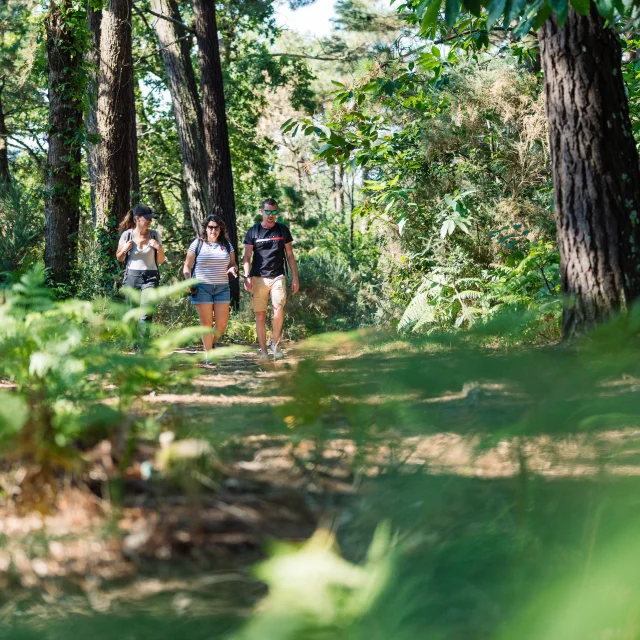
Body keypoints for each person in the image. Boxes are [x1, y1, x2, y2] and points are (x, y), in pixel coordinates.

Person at [242, 198, 299, 360]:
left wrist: (295, 277)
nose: (271, 215)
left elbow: (290, 255)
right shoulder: (253, 231)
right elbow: (246, 256)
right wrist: (246, 276)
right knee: (260, 315)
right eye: (268, 211)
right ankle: (264, 352)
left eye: (274, 212)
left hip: (277, 276)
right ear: (262, 212)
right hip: (258, 278)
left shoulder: (282, 230)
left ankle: (274, 343)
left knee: (278, 308)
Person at [183, 214, 238, 364]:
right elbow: (187, 266)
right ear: (206, 228)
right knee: (206, 323)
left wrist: (233, 269)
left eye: (216, 227)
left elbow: (233, 264)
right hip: (202, 288)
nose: (213, 230)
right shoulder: (197, 244)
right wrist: (188, 282)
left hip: (222, 288)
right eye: (210, 227)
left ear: (220, 229)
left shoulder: (227, 245)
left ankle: (210, 344)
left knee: (222, 324)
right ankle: (209, 355)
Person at [116, 204, 165, 339]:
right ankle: (135, 342)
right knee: (133, 314)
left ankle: (141, 349)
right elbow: (119, 258)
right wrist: (125, 249)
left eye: (151, 219)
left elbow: (161, 261)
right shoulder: (127, 235)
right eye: (147, 219)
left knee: (146, 313)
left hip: (150, 278)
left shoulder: (155, 235)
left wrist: (158, 248)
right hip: (131, 277)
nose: (150, 221)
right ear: (137, 219)